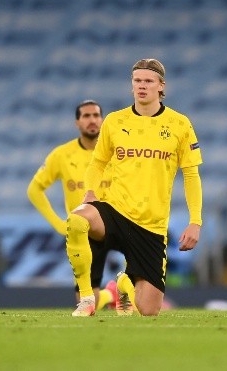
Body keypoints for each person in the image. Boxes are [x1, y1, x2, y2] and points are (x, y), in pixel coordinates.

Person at [65, 58, 203, 316]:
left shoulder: (180, 125)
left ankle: (123, 287)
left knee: (148, 311)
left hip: (151, 226)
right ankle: (87, 298)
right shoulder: (115, 121)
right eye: (137, 80)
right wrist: (91, 192)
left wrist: (195, 220)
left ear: (162, 86)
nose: (142, 86)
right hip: (114, 210)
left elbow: (191, 175)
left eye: (148, 81)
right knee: (77, 219)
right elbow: (97, 163)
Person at [27, 100, 118, 310]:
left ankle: (124, 288)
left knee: (143, 290)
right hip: (85, 230)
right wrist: (58, 223)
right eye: (86, 116)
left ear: (102, 120)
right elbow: (34, 189)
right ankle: (110, 294)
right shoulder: (62, 154)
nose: (92, 120)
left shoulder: (116, 152)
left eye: (96, 115)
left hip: (117, 223)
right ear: (77, 122)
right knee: (87, 305)